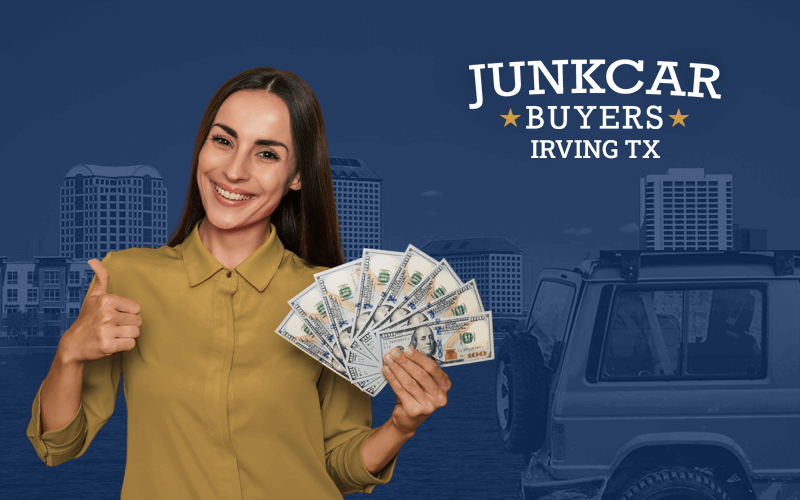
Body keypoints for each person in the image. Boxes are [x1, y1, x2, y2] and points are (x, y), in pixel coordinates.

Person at [26, 67, 451, 499]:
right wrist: (69, 355)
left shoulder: (332, 298)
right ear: (201, 147)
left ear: (298, 176)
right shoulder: (126, 278)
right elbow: (59, 445)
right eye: (223, 141)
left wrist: (401, 425)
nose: (234, 171)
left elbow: (339, 466)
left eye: (266, 154)